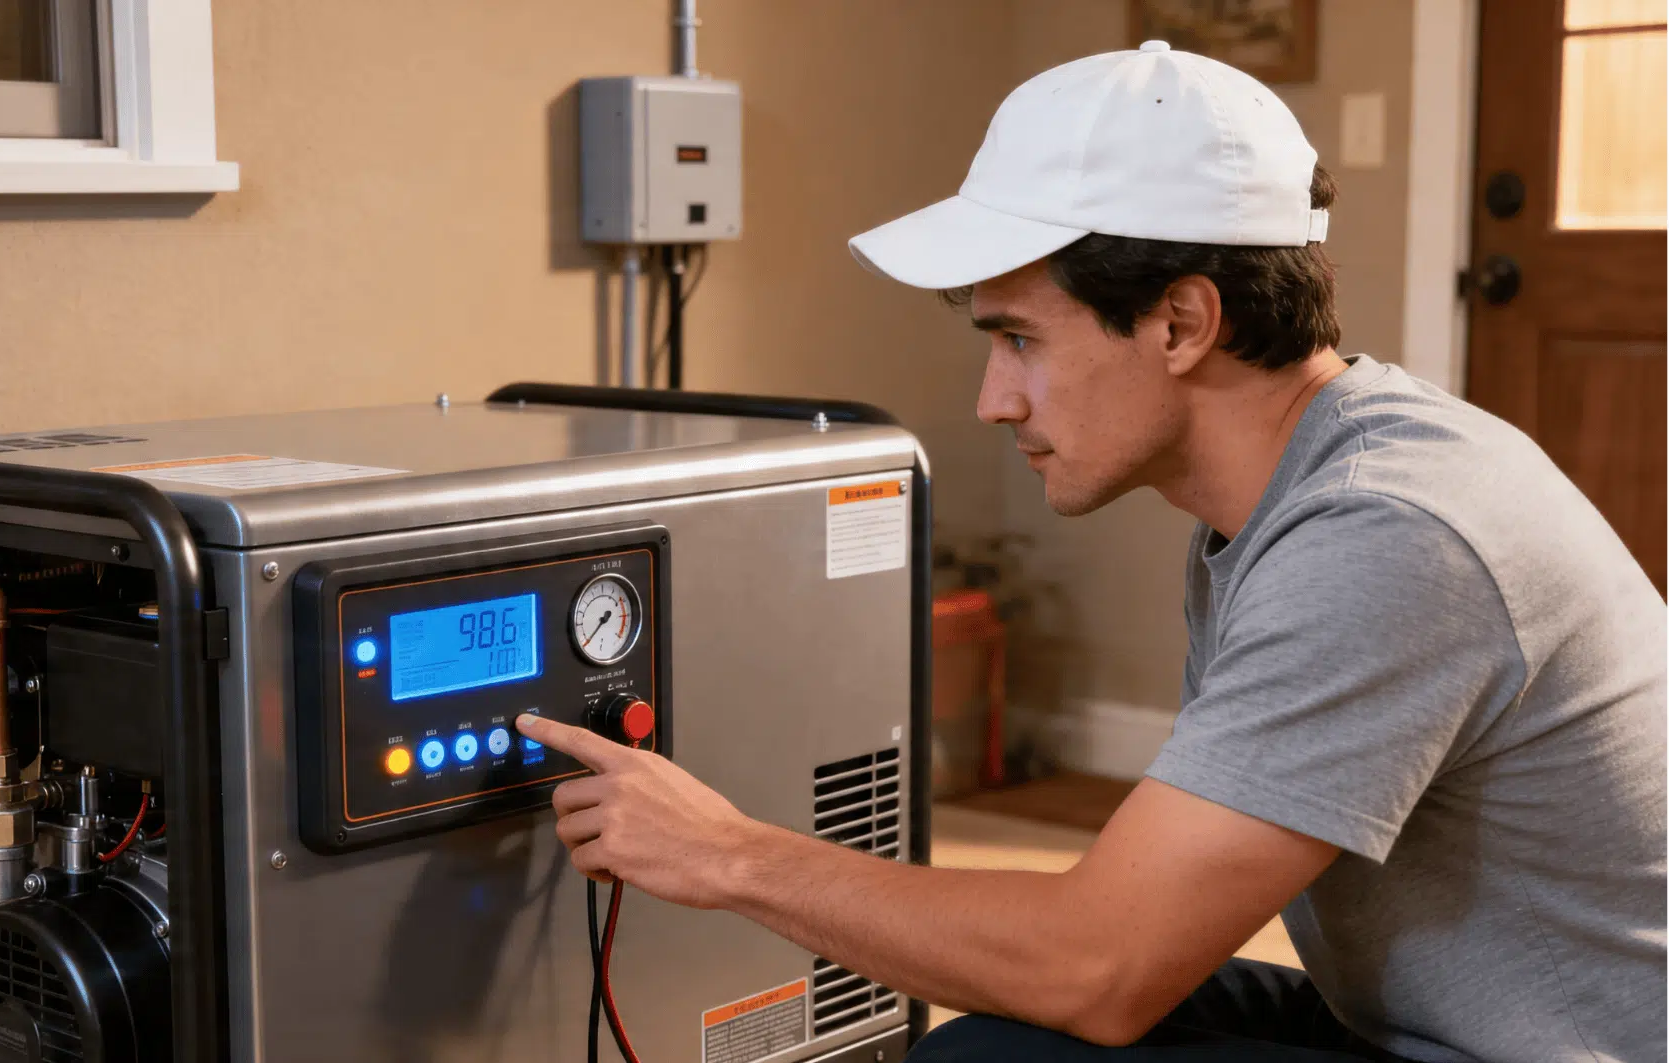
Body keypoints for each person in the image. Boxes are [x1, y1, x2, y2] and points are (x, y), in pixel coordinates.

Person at [515, 41, 1667, 1062]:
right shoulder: (1282, 486)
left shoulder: (1388, 534)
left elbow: (1100, 966)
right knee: (1004, 1028)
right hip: (1410, 1018)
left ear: (1182, 321)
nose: (992, 398)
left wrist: (731, 855)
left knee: (1019, 1044)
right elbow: (1116, 939)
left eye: (1020, 340)